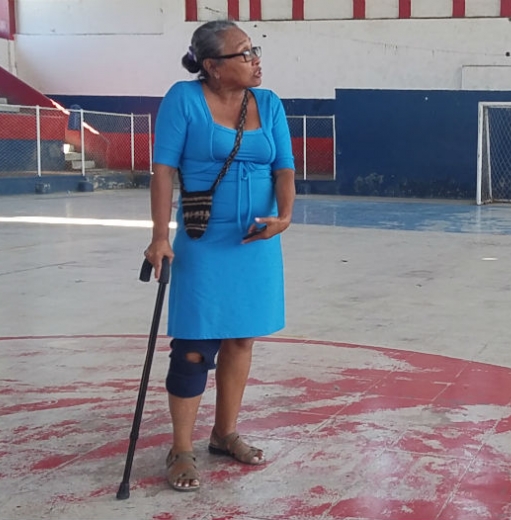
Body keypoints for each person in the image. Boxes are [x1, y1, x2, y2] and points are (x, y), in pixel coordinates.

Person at [143, 19, 295, 492]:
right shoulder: (183, 100)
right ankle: (181, 447)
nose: (255, 60)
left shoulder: (268, 104)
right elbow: (163, 171)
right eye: (243, 53)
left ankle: (224, 433)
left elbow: (284, 168)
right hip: (204, 239)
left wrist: (285, 217)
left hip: (255, 242)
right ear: (211, 66)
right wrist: (159, 236)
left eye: (254, 50)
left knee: (241, 340)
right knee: (193, 346)